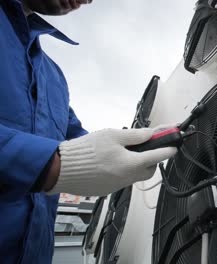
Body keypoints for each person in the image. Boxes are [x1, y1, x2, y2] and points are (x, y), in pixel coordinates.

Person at [0, 0, 177, 263]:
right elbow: (64, 159)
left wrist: (135, 147)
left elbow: (78, 138)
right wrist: (53, 165)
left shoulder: (54, 77)